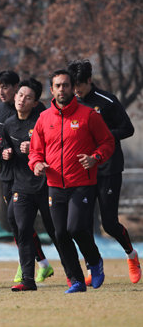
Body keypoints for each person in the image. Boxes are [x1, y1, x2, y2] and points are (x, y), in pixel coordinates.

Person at [29, 70, 115, 293]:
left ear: (72, 88)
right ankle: (76, 280)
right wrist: (37, 164)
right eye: (57, 86)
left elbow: (107, 142)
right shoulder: (44, 118)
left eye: (65, 85)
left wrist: (95, 158)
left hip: (82, 183)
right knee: (60, 234)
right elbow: (35, 152)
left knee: (76, 227)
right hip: (55, 185)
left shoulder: (89, 115)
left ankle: (94, 261)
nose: (62, 89)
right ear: (52, 90)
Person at [67, 59, 141, 284]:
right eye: (73, 85)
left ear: (89, 80)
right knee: (82, 224)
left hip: (107, 168)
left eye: (79, 84)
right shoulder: (70, 102)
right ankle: (93, 268)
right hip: (81, 170)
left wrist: (101, 134)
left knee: (108, 223)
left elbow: (127, 129)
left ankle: (132, 255)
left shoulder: (107, 101)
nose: (76, 90)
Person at [0, 71, 53, 284]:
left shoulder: (38, 111)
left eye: (6, 86)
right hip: (9, 174)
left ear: (16, 89)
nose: (1, 91)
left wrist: (32, 149)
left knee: (50, 226)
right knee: (17, 223)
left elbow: (46, 138)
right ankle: (37, 264)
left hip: (36, 176)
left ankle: (70, 269)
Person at [1, 78, 64, 291]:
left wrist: (38, 150)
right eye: (20, 95)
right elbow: (3, 147)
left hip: (47, 184)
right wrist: (5, 153)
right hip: (21, 186)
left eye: (28, 97)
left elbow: (56, 149)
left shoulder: (43, 121)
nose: (22, 100)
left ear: (35, 102)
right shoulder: (9, 124)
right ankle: (27, 280)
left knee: (56, 231)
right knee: (22, 230)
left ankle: (73, 274)